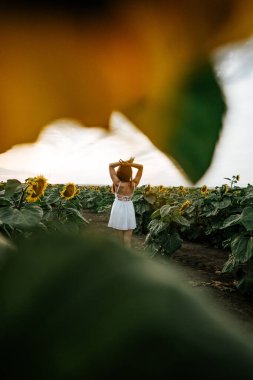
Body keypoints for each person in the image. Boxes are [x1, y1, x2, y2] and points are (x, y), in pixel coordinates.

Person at [108, 157, 143, 247]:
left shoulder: (117, 183)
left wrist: (122, 164)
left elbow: (111, 166)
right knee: (127, 239)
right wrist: (129, 164)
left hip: (118, 207)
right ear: (130, 173)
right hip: (129, 207)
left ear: (119, 172)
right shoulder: (134, 183)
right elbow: (141, 167)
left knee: (118, 239)